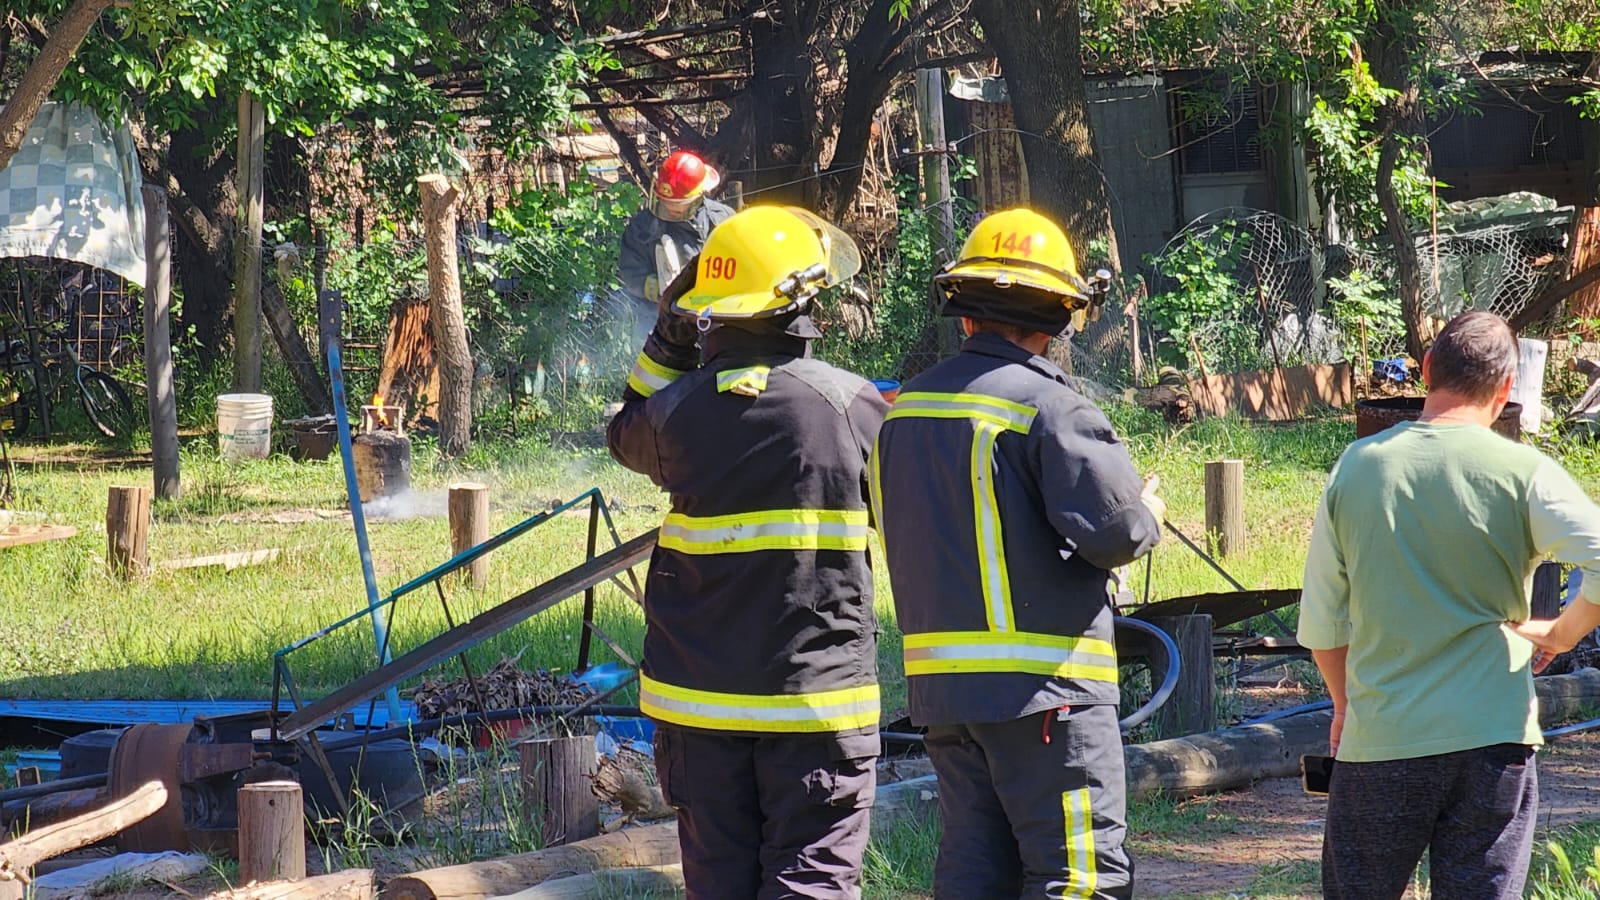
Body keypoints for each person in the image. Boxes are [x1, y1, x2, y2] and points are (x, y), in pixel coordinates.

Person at [870, 207, 1164, 899]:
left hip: (944, 696)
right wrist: (1147, 513)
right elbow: (1115, 531)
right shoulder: (1051, 408)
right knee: (1080, 877)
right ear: (1061, 319)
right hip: (1045, 693)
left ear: (963, 312)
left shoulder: (903, 411)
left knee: (975, 869)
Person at [607, 205, 889, 899]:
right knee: (810, 881)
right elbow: (903, 508)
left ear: (709, 315)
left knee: (720, 886)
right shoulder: (849, 406)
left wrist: (667, 344)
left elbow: (622, 430)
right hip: (813, 705)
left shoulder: (673, 413)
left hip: (698, 709)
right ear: (802, 309)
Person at [1299, 309, 1600, 899]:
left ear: (1428, 368)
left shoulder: (1357, 467)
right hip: (1494, 736)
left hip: (1382, 733)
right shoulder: (1524, 472)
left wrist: (1343, 707)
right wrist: (1563, 634)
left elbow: (1323, 622)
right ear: (1507, 388)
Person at [615, 150, 735, 343]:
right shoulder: (642, 227)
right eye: (666, 202)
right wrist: (658, 289)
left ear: (698, 196)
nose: (670, 208)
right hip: (662, 322)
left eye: (677, 204)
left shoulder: (722, 219)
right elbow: (630, 273)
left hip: (716, 319)